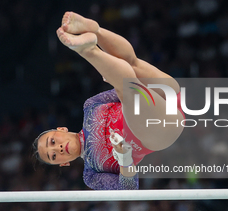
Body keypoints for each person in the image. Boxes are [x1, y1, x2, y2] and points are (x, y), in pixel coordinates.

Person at [32, 12, 184, 190]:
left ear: (61, 129)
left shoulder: (90, 105)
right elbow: (128, 188)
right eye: (53, 156)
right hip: (159, 131)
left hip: (166, 96)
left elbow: (125, 77)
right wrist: (125, 160)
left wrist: (113, 73)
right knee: (128, 87)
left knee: (131, 66)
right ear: (63, 164)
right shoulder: (91, 174)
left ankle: (93, 30)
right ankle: (88, 49)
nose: (57, 149)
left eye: (52, 142)